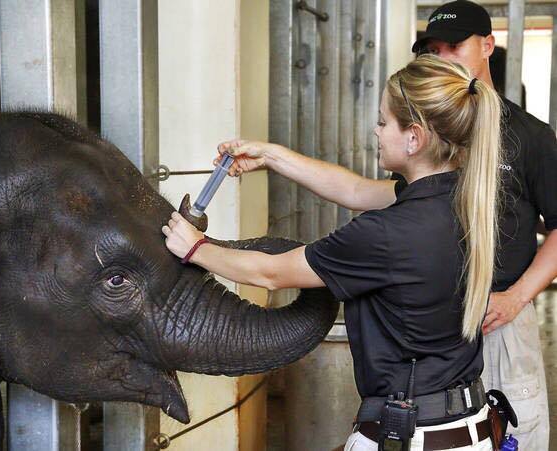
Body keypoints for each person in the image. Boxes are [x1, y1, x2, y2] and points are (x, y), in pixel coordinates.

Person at [164, 55, 502, 450]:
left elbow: (271, 273)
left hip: (413, 436)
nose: (375, 132)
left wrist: (196, 248)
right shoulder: (466, 199)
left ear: (414, 137)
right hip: (468, 427)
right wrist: (270, 155)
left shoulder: (386, 235)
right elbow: (356, 191)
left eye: (382, 121)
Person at [413, 2, 557, 449]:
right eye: (433, 51)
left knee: (514, 435)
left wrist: (516, 298)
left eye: (454, 47)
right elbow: (377, 197)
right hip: (432, 324)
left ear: (487, 46)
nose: (444, 59)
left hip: (500, 323)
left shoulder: (530, 136)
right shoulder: (425, 135)